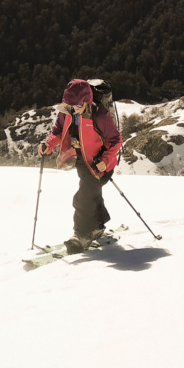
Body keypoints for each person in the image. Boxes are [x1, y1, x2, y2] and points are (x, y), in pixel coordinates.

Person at [37, 78, 123, 253]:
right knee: (91, 192)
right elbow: (59, 131)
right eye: (70, 105)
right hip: (82, 160)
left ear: (86, 101)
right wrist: (48, 145)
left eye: (77, 105)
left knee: (83, 196)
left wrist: (105, 161)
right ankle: (97, 225)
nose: (73, 109)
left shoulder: (99, 115)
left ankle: (81, 234)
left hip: (100, 163)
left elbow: (115, 140)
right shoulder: (66, 111)